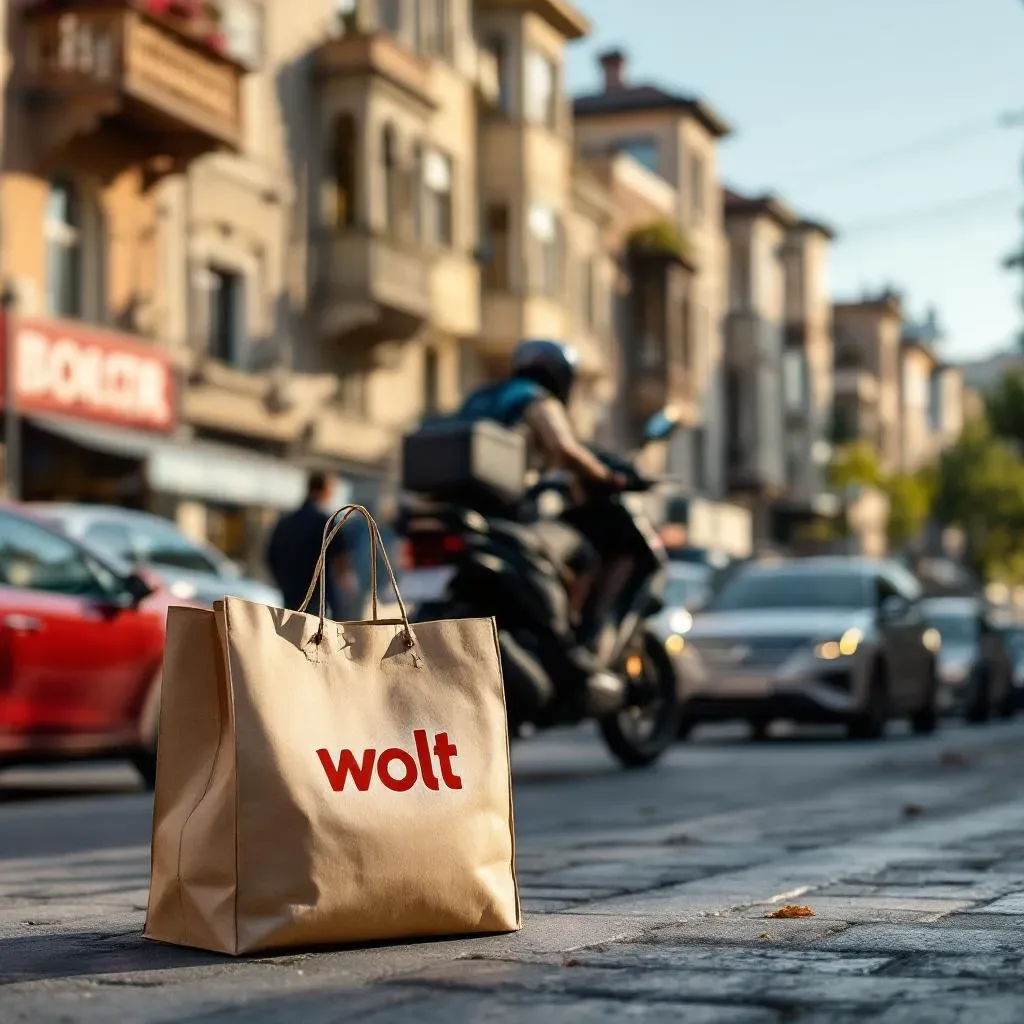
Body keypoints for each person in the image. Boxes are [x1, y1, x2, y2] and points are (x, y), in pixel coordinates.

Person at [456, 339, 624, 625]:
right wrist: (605, 475)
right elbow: (564, 448)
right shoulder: (535, 398)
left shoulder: (480, 397)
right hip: (510, 516)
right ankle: (567, 634)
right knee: (584, 556)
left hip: (463, 514)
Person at [267, 472, 353, 618]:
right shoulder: (326, 522)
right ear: (325, 490)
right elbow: (340, 556)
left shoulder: (287, 521)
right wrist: (344, 580)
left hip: (291, 593)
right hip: (320, 594)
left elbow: (270, 555)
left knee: (291, 634)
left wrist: (283, 581)